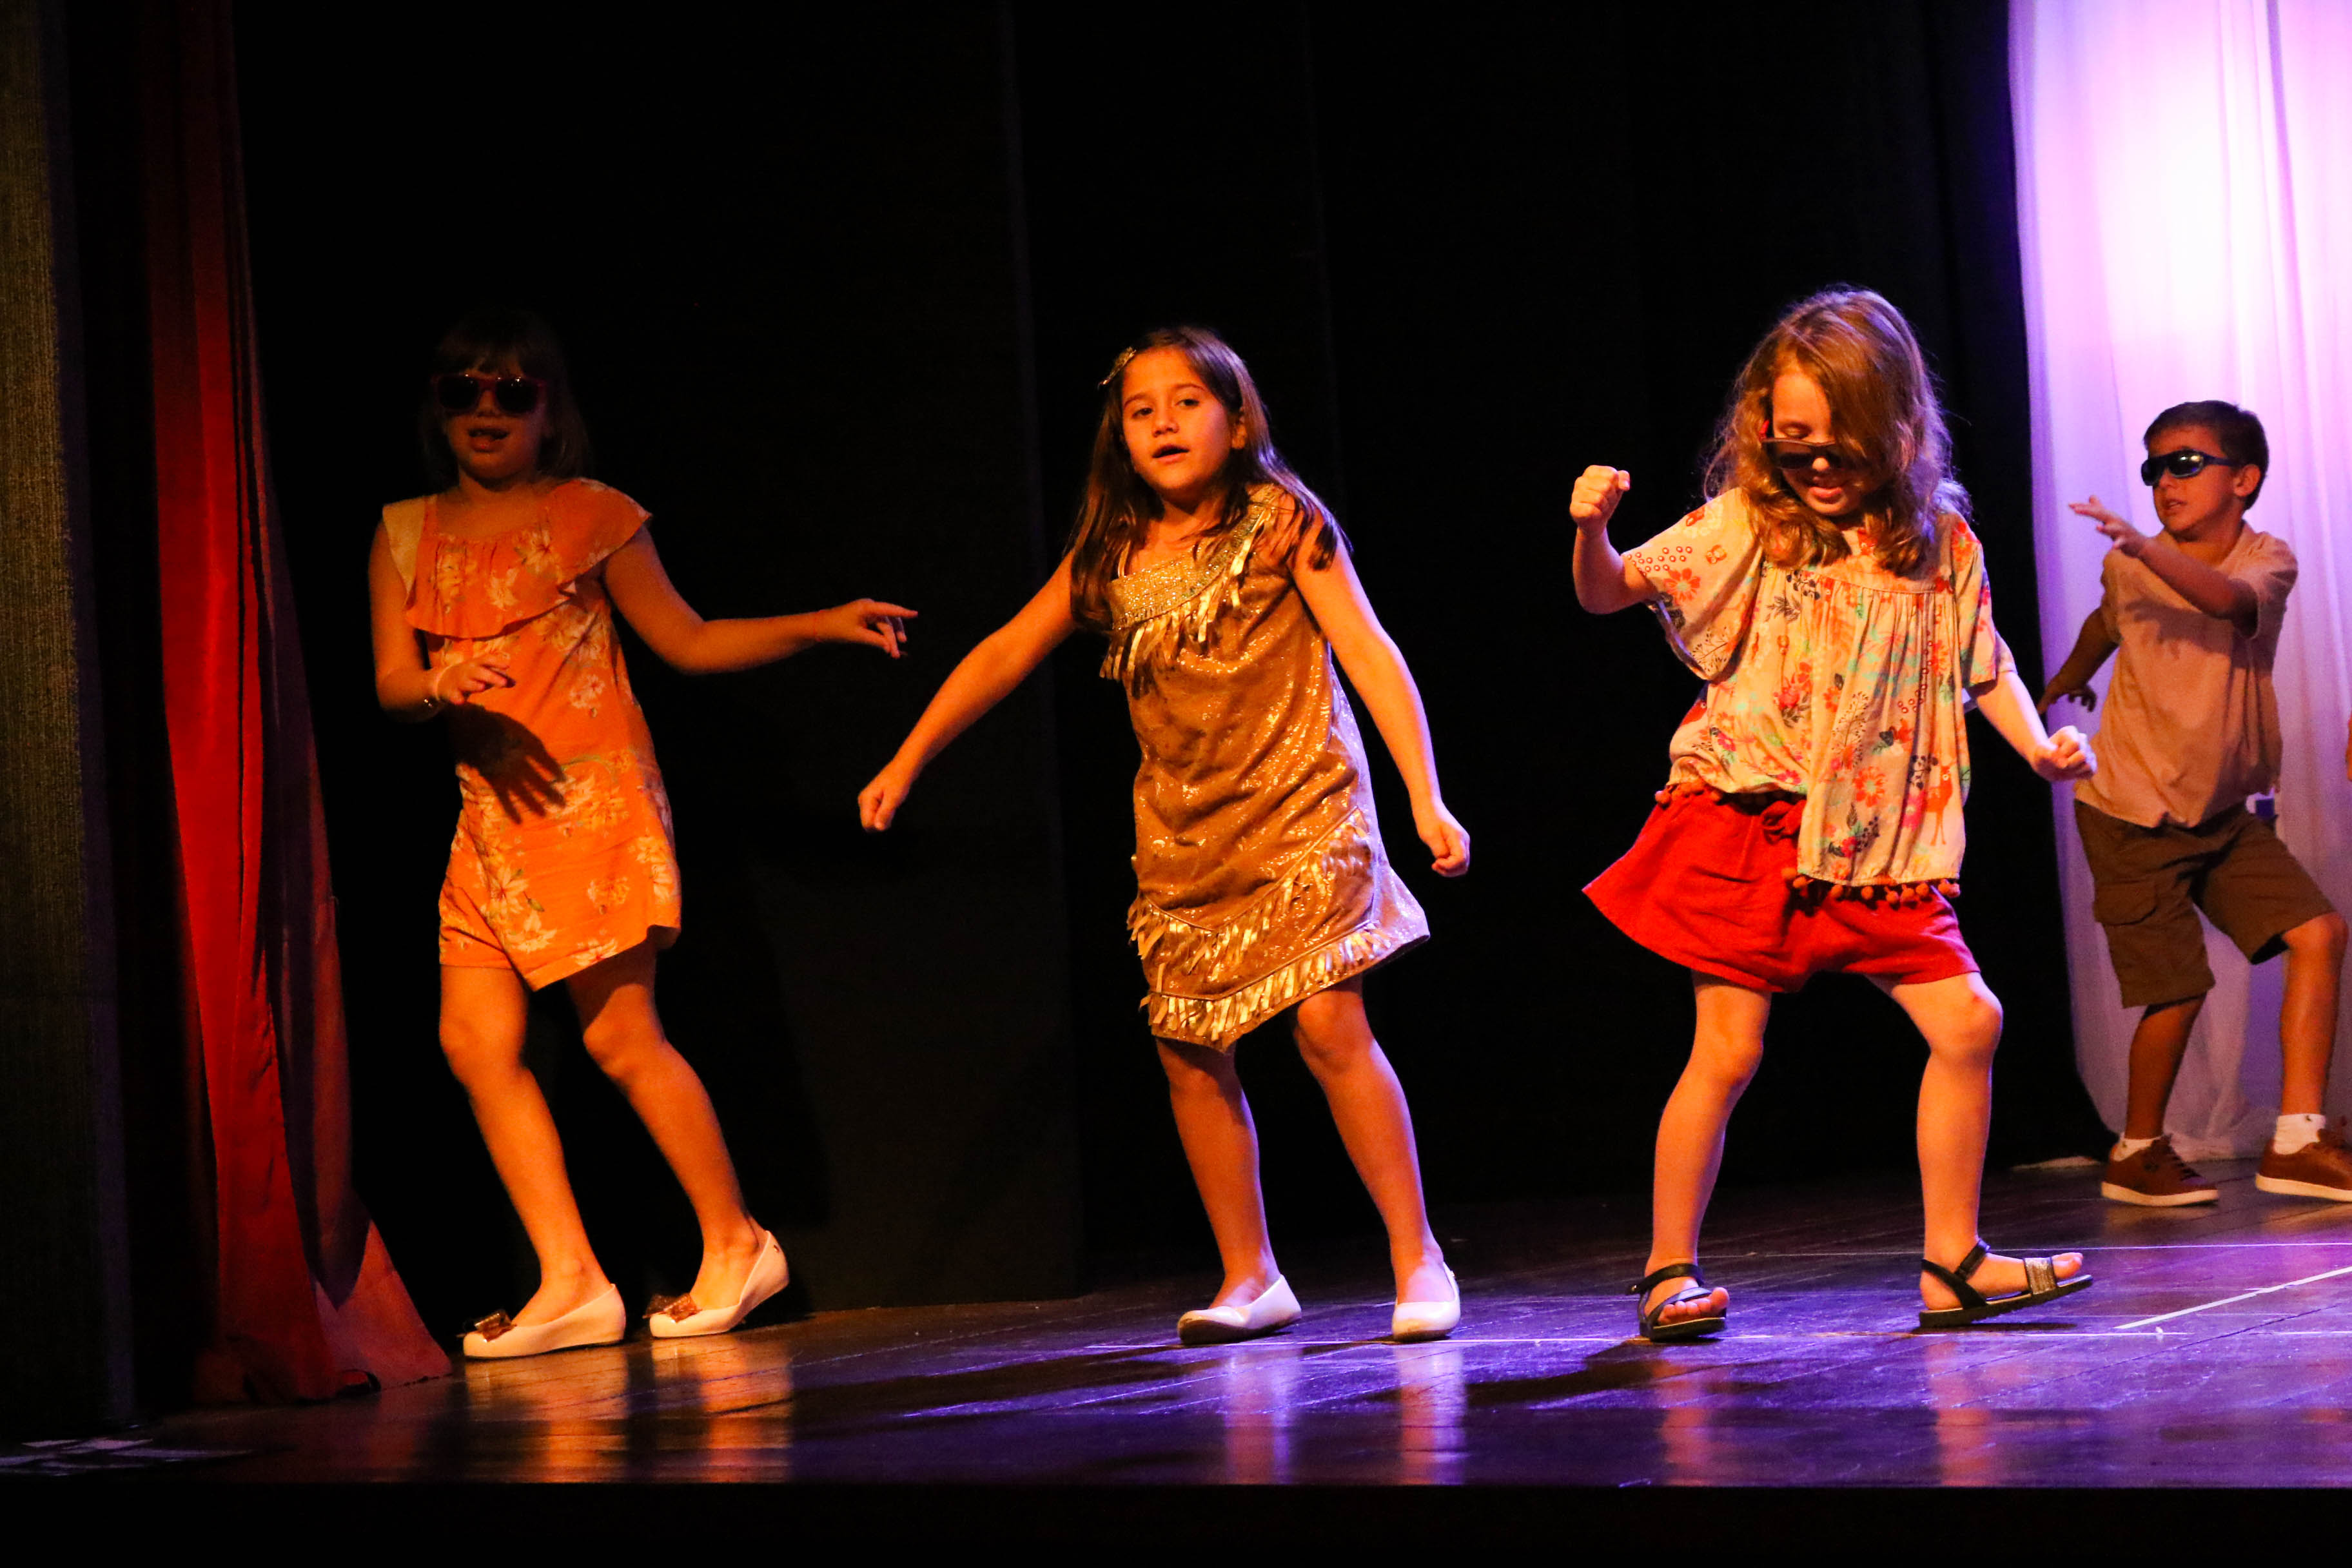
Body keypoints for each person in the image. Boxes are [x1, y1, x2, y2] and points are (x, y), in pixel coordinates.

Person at [860, 326, 1467, 1344]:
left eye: (1187, 402)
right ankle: (1251, 1275)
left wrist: (1425, 795)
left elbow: (1368, 649)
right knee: (1189, 1050)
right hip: (1186, 838)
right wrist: (909, 756)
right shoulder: (1109, 555)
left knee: (1328, 1025)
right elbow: (1006, 652)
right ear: (1121, 438)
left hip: (1304, 804)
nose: (1164, 423)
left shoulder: (1282, 521)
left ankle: (1419, 1258)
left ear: (1237, 421)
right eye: (1142, 410)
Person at [369, 308, 914, 1358]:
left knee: (619, 1037)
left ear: (549, 410)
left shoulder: (592, 514)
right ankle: (572, 1278)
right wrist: (439, 679)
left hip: (594, 807)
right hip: (489, 821)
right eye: (463, 389)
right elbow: (392, 682)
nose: (487, 407)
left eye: (512, 390)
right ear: (438, 408)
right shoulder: (403, 534)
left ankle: (738, 1241)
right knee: (473, 1043)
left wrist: (819, 622)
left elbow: (689, 639)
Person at [1573, 288, 2098, 1338]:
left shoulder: (1939, 543)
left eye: (1837, 442)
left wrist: (2039, 745)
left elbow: (1981, 663)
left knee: (1969, 1021)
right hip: (1747, 817)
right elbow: (1608, 592)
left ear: (1897, 429)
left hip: (1873, 833)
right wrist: (1592, 529)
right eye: (1793, 439)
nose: (1813, 463)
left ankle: (1953, 1262)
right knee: (1726, 1050)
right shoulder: (1746, 522)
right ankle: (1666, 1272)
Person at [2041, 400, 2352, 1206]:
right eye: (2154, 468)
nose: (2165, 482)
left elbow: (2227, 602)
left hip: (2217, 812)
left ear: (2243, 479)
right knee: (2177, 989)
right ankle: (2137, 1151)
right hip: (2132, 813)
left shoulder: (2266, 559)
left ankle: (2297, 1139)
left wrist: (2145, 548)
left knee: (2319, 932)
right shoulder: (2130, 566)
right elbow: (2108, 621)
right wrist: (2067, 677)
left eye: (2185, 463)